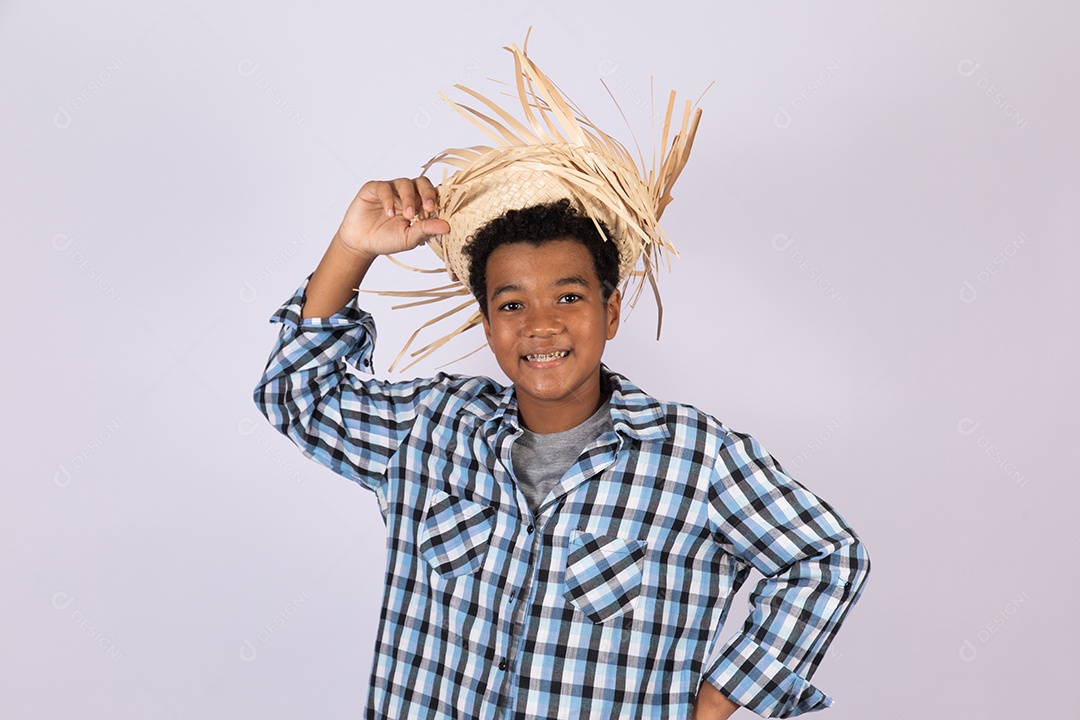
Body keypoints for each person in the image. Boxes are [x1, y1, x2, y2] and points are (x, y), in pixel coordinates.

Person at [254, 40, 870, 720]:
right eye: (512, 304)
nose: (540, 325)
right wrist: (352, 248)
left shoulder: (696, 459)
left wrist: (719, 702)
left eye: (569, 298)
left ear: (609, 312)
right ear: (488, 327)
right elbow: (300, 396)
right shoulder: (430, 431)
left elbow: (825, 556)